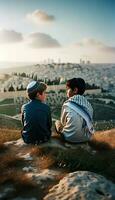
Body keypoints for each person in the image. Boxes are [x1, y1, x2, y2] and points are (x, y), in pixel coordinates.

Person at [55, 78, 94, 143]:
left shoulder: (67, 104)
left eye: (67, 89)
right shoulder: (89, 105)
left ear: (75, 90)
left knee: (57, 122)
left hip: (69, 139)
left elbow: (63, 123)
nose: (66, 91)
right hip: (86, 138)